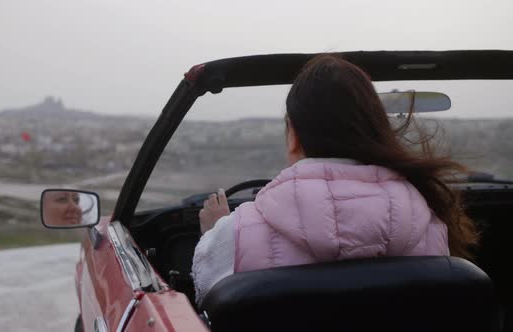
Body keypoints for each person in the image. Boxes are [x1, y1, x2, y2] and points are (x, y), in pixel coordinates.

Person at [191, 55, 478, 305]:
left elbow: (208, 309)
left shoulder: (232, 237)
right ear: (375, 130)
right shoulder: (430, 224)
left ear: (294, 136)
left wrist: (214, 232)